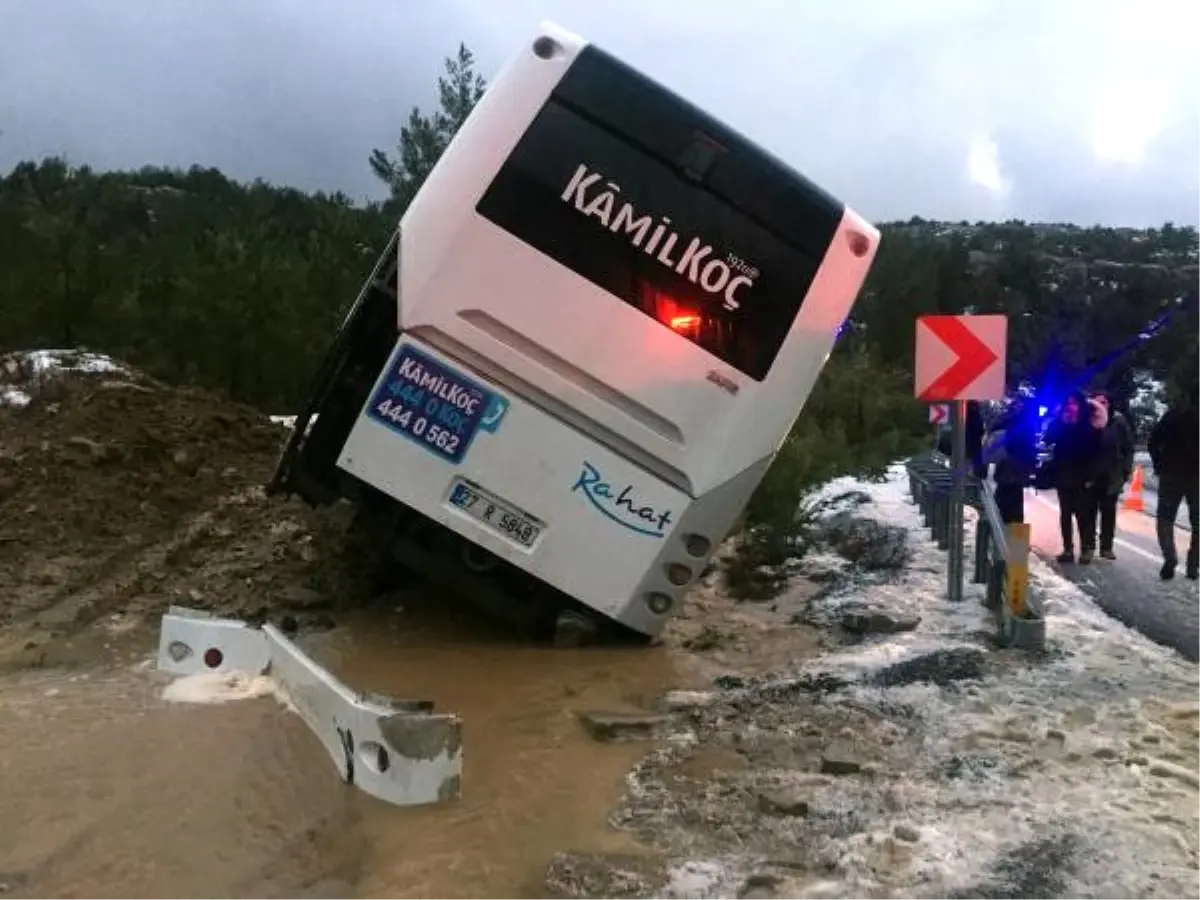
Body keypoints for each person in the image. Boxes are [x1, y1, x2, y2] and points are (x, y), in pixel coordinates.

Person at [1043, 390, 1103, 563]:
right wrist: (1058, 420)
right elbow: (1048, 439)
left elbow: (1095, 452)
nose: (1071, 407)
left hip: (1082, 474)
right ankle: (1068, 548)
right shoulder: (1061, 424)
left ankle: (1087, 548)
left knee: (1083, 513)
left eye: (1074, 403)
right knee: (1066, 512)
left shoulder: (1089, 426)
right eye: (1068, 403)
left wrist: (1092, 476)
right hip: (1063, 472)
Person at [1147, 386, 1200, 580]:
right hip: (1197, 476)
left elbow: (1152, 442)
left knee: (1165, 518)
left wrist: (1159, 464)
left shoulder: (1172, 416)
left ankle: (1170, 557)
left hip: (1171, 472)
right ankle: (1194, 564)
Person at [1085, 391, 1134, 560]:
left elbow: (1128, 448)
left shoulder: (1118, 422)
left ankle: (1106, 547)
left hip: (1112, 475)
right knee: (1088, 513)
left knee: (1108, 513)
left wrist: (1126, 471)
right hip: (1090, 475)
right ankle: (1088, 547)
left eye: (1104, 402)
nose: (1101, 405)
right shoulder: (1087, 422)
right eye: (1097, 402)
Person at [987, 396, 1039, 523]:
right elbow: (1032, 446)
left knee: (1005, 501)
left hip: (1009, 467)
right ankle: (1010, 535)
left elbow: (992, 430)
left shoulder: (1010, 420)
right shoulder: (1028, 421)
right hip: (1014, 468)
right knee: (1011, 502)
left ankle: (1001, 532)